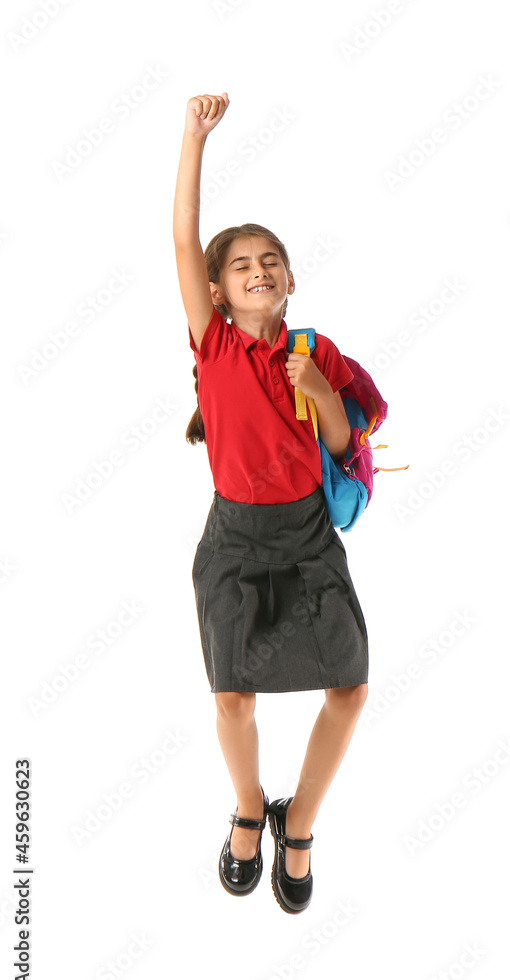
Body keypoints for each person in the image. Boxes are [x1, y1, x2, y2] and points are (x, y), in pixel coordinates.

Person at [173, 92, 369, 914]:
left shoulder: (312, 350)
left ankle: (300, 825)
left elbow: (336, 450)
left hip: (307, 537)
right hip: (236, 541)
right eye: (241, 264)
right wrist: (194, 136)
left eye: (270, 260)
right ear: (218, 291)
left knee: (349, 689)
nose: (257, 269)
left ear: (289, 278)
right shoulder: (212, 341)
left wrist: (320, 388)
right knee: (231, 697)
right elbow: (182, 236)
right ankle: (249, 809)